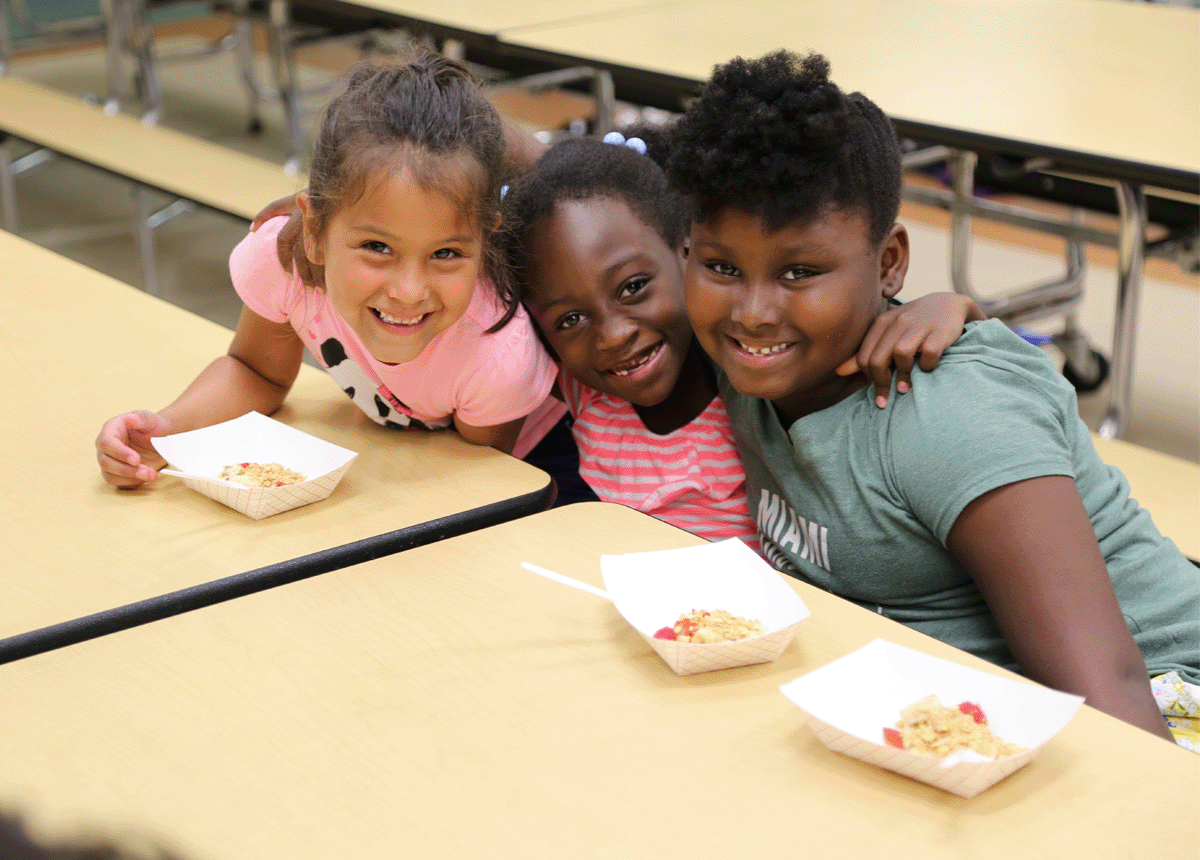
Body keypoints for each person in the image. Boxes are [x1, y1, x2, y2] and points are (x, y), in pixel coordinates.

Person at [667, 49, 1200, 742]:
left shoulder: (944, 417)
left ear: (889, 263)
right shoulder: (741, 362)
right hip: (958, 709)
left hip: (1163, 706)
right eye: (721, 267)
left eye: (800, 271)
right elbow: (570, 200)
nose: (754, 310)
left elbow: (1111, 699)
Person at [95, 48, 565, 495]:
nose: (408, 291)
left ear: (485, 242)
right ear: (315, 229)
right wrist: (168, 434)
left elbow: (477, 487)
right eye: (377, 247)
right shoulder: (286, 262)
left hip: (543, 466)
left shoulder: (495, 356)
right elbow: (255, 371)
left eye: (445, 254)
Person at [500, 129, 983, 550]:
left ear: (688, 252)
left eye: (633, 287)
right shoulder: (577, 383)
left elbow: (857, 322)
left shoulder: (748, 369)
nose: (614, 334)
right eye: (571, 319)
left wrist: (950, 304)